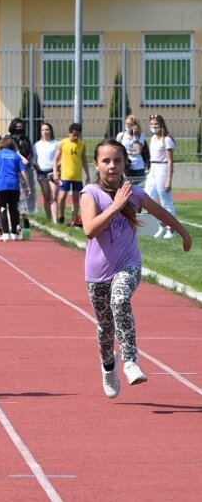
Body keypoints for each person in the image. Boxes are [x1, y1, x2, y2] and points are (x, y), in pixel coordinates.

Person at [80, 139, 191, 399]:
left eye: (117, 161)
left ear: (124, 164)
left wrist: (184, 233)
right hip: (96, 274)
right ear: (96, 164)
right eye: (106, 161)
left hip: (128, 265)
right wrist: (116, 206)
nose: (112, 166)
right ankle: (109, 367)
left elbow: (161, 214)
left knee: (120, 301)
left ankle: (130, 360)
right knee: (105, 327)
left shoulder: (135, 193)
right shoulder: (90, 193)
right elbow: (89, 230)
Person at [0, 136, 31, 241]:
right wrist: (27, 186)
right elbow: (23, 171)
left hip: (1, 185)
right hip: (14, 185)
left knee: (2, 208)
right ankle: (14, 233)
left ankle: (5, 233)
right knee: (13, 209)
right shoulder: (16, 156)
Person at [144, 114, 177, 239]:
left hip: (163, 168)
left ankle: (171, 230)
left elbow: (170, 160)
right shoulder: (153, 138)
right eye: (151, 124)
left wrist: (169, 179)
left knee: (165, 200)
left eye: (156, 124)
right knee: (147, 198)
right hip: (153, 168)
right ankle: (162, 224)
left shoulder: (167, 139)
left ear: (161, 124)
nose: (154, 126)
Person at [53, 122, 89, 226]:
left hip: (77, 176)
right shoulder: (63, 143)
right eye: (74, 135)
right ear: (69, 133)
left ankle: (73, 221)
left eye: (78, 135)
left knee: (76, 199)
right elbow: (55, 159)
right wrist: (55, 173)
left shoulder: (82, 145)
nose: (76, 137)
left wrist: (87, 174)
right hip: (65, 176)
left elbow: (84, 160)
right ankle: (61, 215)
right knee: (62, 197)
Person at [33, 122, 59, 222]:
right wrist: (36, 167)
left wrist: (57, 168)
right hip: (41, 173)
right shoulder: (37, 145)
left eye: (47, 129)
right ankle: (49, 218)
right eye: (43, 130)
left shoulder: (56, 144)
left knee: (53, 196)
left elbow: (60, 158)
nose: (45, 132)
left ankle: (55, 220)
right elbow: (34, 159)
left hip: (52, 171)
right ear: (41, 132)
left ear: (51, 131)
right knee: (46, 196)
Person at [116, 115, 146, 185]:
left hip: (138, 166)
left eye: (130, 124)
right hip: (126, 166)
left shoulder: (140, 135)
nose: (128, 126)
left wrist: (135, 136)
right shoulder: (121, 135)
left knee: (139, 189)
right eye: (126, 124)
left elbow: (138, 150)